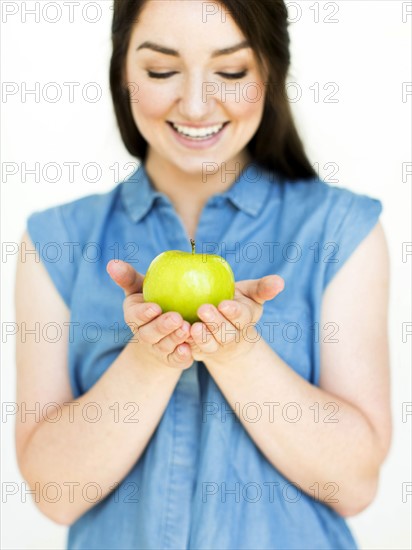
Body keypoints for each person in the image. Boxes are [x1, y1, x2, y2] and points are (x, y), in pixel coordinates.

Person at [15, 1, 392, 549]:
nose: (194, 104)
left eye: (232, 72)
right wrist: (149, 357)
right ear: (124, 71)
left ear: (268, 70)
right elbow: (54, 493)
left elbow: (355, 483)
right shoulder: (56, 243)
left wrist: (237, 352)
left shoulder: (340, 231)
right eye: (162, 71)